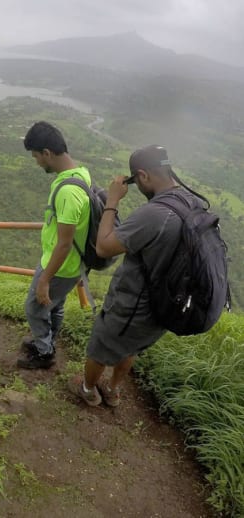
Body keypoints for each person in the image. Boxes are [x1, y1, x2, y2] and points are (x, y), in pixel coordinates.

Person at [68, 145, 200, 407]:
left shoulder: (154, 214)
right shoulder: (190, 201)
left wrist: (112, 201)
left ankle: (88, 390)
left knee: (101, 347)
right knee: (131, 347)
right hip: (167, 302)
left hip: (132, 304)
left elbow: (104, 246)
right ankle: (114, 390)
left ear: (143, 175)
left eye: (136, 180)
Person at [18, 121, 91, 369]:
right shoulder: (80, 174)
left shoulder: (67, 193)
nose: (37, 161)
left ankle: (44, 352)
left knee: (34, 307)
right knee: (54, 304)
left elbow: (64, 243)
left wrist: (45, 279)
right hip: (71, 267)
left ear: (47, 153)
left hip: (59, 266)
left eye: (36, 156)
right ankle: (48, 341)